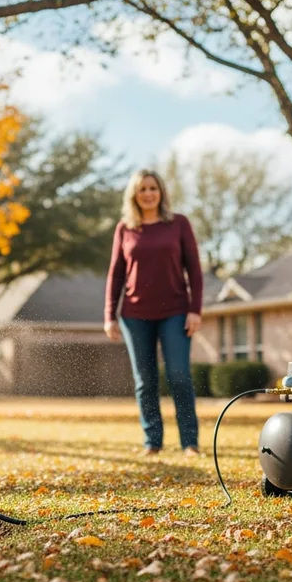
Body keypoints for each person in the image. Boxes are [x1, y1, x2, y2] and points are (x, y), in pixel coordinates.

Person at [104, 169, 205, 457]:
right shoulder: (125, 228)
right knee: (145, 380)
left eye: (153, 188)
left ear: (161, 192)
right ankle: (152, 442)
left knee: (179, 375)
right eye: (142, 189)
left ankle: (190, 442)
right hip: (135, 315)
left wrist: (195, 310)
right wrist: (109, 315)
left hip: (175, 311)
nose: (148, 193)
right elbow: (116, 275)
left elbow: (195, 271)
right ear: (134, 195)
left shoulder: (178, 224)